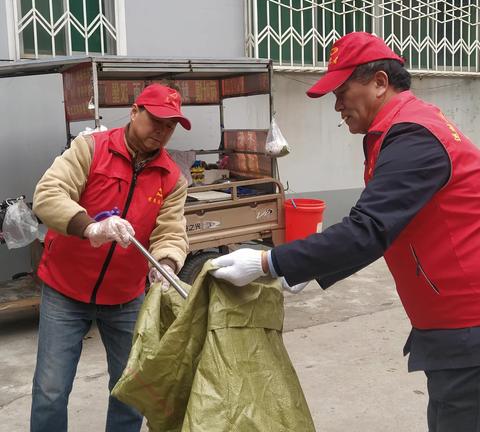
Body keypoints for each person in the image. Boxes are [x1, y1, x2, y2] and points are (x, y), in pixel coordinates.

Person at [210, 31, 480, 431]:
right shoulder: (403, 128)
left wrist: (270, 261)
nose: (337, 106)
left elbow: (368, 229)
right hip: (452, 323)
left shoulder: (413, 137)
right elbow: (382, 228)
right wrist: (303, 268)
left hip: (467, 329)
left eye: (341, 91)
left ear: (379, 83)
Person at [30, 83, 191, 432]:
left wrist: (166, 262)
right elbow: (47, 194)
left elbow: (171, 231)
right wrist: (90, 228)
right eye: (156, 121)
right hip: (65, 291)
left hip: (126, 297)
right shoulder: (90, 149)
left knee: (130, 390)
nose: (162, 132)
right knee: (50, 390)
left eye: (170, 126)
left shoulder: (173, 178)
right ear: (135, 112)